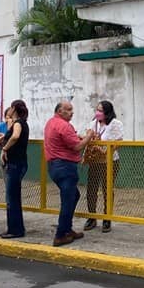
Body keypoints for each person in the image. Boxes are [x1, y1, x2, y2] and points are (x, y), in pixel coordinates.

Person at [43, 101, 91, 247]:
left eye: (72, 109)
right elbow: (77, 146)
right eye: (68, 110)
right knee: (68, 200)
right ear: (59, 111)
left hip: (55, 166)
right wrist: (89, 136)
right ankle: (60, 235)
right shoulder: (64, 125)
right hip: (65, 167)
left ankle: (67, 229)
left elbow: (70, 140)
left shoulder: (51, 123)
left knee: (73, 196)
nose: (72, 112)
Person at [82, 100, 123, 233]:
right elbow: (88, 137)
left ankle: (107, 217)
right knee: (91, 189)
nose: (98, 113)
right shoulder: (93, 123)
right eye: (97, 110)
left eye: (101, 110)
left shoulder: (115, 124)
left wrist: (105, 151)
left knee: (107, 189)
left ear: (107, 112)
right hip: (95, 161)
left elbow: (119, 142)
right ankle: (92, 216)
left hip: (110, 161)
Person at [0, 100, 29, 239]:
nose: (9, 110)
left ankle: (15, 230)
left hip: (15, 164)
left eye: (11, 107)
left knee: (12, 198)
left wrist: (5, 148)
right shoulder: (19, 123)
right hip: (17, 163)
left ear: (14, 108)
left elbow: (15, 136)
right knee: (13, 197)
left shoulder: (18, 123)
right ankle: (15, 228)